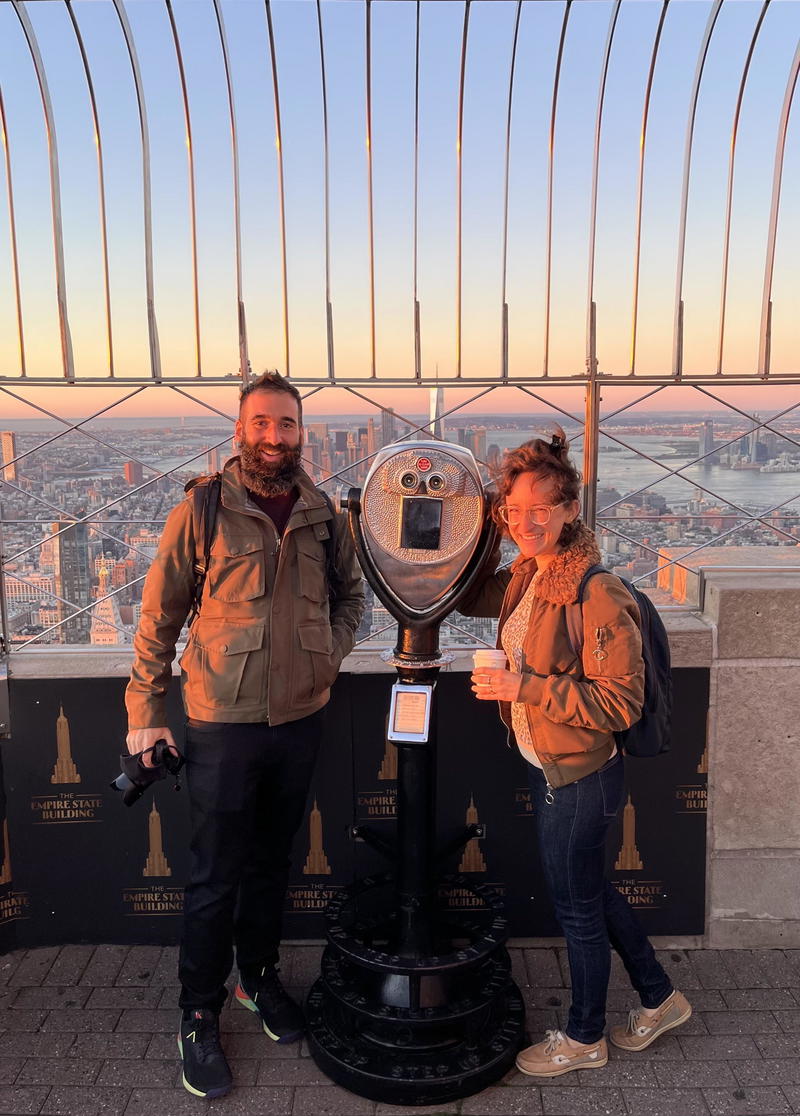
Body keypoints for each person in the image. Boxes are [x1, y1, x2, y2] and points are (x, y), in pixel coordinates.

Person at [125, 371, 364, 1099]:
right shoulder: (201, 510)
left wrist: (328, 654)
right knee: (213, 877)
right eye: (261, 423)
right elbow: (158, 618)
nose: (273, 436)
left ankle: (255, 981)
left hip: (298, 719)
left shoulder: (325, 514)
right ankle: (197, 1011)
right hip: (220, 722)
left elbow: (351, 596)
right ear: (240, 429)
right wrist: (144, 713)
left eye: (286, 424)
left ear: (301, 433)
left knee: (270, 866)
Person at [459, 429, 691, 1078]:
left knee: (577, 909)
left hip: (583, 777)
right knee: (589, 890)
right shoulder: (527, 575)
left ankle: (587, 1036)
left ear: (568, 509)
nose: (527, 523)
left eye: (541, 508)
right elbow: (467, 591)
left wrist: (520, 686)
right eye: (515, 509)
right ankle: (660, 998)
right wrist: (484, 523)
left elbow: (619, 705)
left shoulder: (597, 592)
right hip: (549, 766)